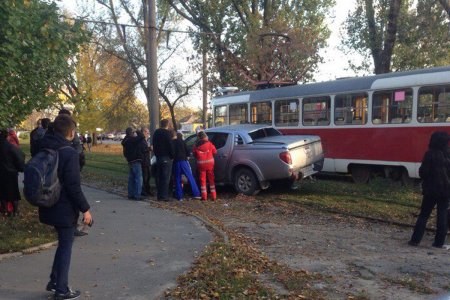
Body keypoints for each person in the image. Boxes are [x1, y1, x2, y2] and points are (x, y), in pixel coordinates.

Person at [37, 114, 92, 300]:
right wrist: (86, 209)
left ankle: (54, 281)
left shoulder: (44, 147)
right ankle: (61, 289)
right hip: (64, 207)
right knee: (66, 246)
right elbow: (73, 186)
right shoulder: (69, 153)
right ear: (70, 132)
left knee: (63, 244)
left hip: (47, 202)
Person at [409, 131, 450, 248]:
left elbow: (423, 172)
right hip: (446, 190)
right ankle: (439, 243)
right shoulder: (448, 154)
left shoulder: (430, 154)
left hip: (431, 190)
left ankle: (415, 240)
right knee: (442, 215)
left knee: (424, 214)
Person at [0, 129, 25, 216]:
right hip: (10, 173)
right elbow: (19, 158)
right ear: (7, 136)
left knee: (2, 193)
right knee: (13, 194)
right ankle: (15, 211)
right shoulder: (11, 147)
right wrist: (21, 168)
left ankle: (4, 210)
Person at [172, 132, 201, 201]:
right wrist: (187, 156)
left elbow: (171, 152)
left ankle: (179, 196)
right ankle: (196, 194)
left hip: (176, 161)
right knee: (190, 177)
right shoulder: (182, 142)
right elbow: (188, 151)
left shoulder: (172, 142)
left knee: (177, 178)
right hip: (184, 161)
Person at [152, 119, 174, 201]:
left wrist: (156, 154)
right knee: (165, 177)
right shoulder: (167, 133)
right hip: (166, 157)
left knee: (159, 177)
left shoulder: (156, 133)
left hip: (158, 157)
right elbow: (170, 145)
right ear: (167, 125)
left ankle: (159, 195)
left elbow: (154, 143)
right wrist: (172, 156)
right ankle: (164, 196)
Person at [192, 131, 217, 201]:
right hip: (210, 163)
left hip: (201, 164)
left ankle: (204, 196)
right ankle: (214, 196)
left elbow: (194, 155)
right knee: (211, 180)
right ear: (205, 137)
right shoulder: (209, 144)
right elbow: (215, 152)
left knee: (203, 180)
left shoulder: (195, 145)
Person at [122, 127, 144, 200]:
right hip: (136, 160)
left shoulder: (126, 140)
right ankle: (137, 195)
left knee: (131, 178)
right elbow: (142, 136)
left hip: (130, 160)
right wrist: (137, 130)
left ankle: (130, 194)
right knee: (138, 178)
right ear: (132, 133)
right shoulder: (133, 140)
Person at [140, 127, 153, 197]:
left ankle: (147, 190)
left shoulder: (146, 140)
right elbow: (142, 149)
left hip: (147, 161)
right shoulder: (141, 140)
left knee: (148, 177)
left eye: (148, 132)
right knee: (145, 177)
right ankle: (144, 191)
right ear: (143, 132)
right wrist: (149, 148)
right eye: (146, 132)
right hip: (144, 162)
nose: (148, 133)